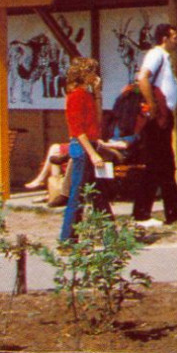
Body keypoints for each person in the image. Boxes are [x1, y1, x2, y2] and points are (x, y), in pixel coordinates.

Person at [134, 23, 177, 229]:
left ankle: (174, 213)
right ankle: (141, 214)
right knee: (155, 165)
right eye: (174, 36)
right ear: (164, 38)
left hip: (165, 116)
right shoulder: (156, 55)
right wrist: (153, 106)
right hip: (157, 117)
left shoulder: (165, 57)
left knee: (165, 166)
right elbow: (142, 78)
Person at [59, 56, 113, 242]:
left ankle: (109, 235)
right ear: (84, 74)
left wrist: (97, 94)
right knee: (77, 195)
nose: (95, 76)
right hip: (83, 148)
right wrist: (93, 154)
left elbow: (97, 121)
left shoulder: (87, 95)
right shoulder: (74, 97)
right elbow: (77, 130)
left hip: (91, 144)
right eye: (92, 72)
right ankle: (67, 238)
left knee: (98, 193)